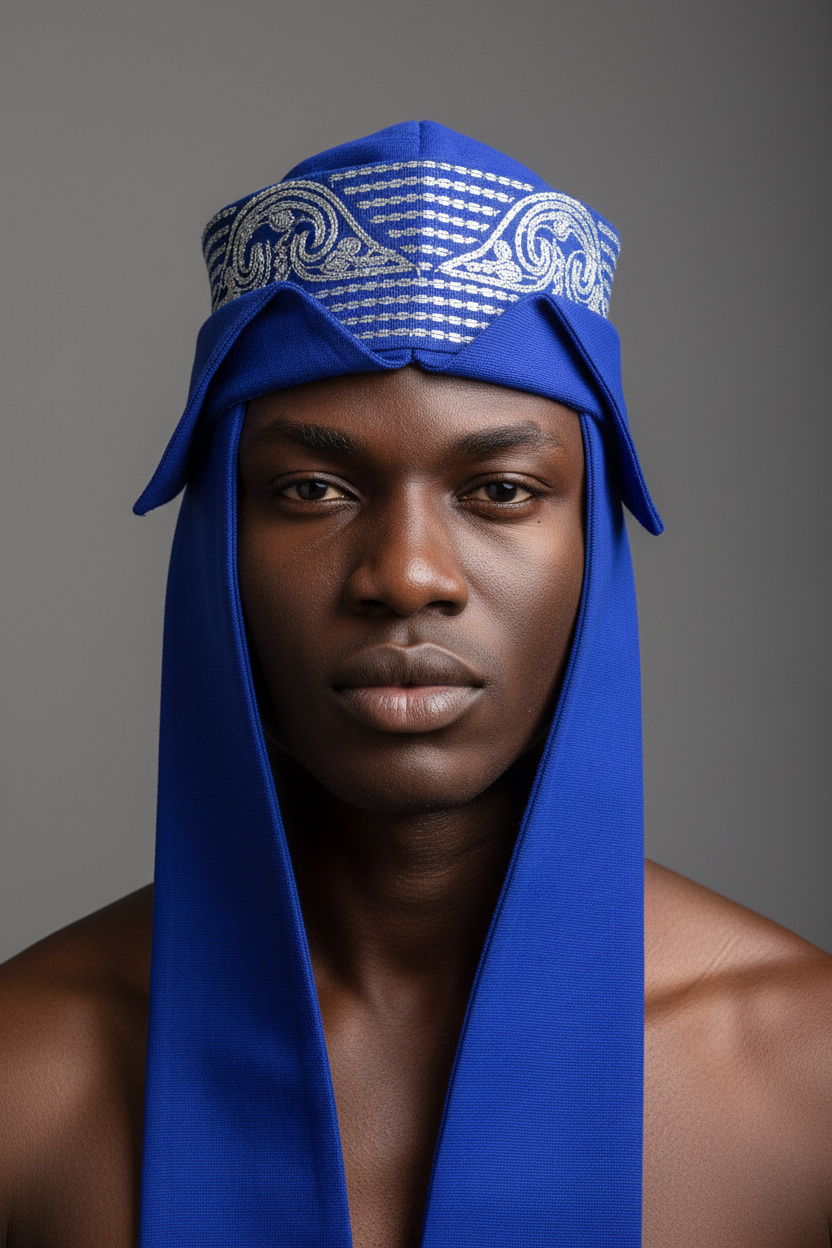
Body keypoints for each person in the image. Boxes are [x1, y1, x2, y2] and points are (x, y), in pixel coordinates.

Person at [0, 121, 829, 1248]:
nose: (405, 577)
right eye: (308, 489)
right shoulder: (23, 1072)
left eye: (497, 491)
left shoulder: (806, 1076)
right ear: (215, 543)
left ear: (592, 539)